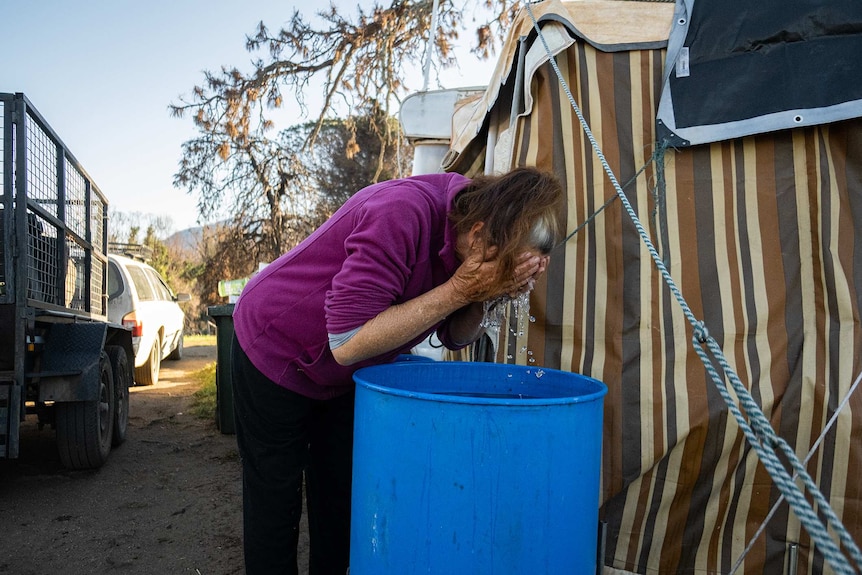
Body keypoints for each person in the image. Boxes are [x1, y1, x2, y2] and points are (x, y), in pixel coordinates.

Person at [230, 166, 564, 574]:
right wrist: (460, 289)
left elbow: (456, 335)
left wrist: (484, 295)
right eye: (504, 266)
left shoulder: (471, 239)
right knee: (275, 498)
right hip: (277, 341)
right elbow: (347, 342)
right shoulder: (400, 213)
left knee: (340, 496)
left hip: (346, 370)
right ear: (478, 235)